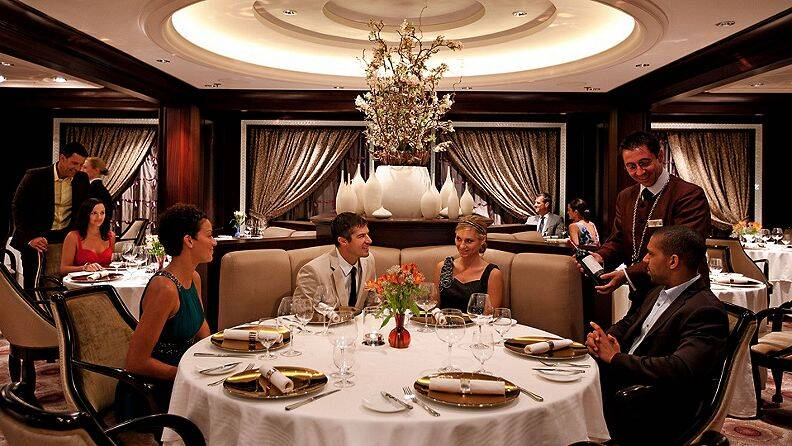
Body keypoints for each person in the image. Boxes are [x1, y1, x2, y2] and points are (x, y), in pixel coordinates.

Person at [586, 226, 727, 445]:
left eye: (651, 254)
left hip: (652, 403)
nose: (645, 260)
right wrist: (603, 338)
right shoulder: (657, 290)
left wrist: (616, 358)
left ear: (673, 261)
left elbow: (679, 368)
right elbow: (629, 323)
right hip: (623, 378)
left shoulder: (705, 309)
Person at [588, 131, 710, 309]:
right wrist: (600, 256)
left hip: (680, 296)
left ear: (660, 156)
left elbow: (682, 250)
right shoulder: (626, 197)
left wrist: (627, 274)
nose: (639, 172)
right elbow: (619, 239)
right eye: (631, 166)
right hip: (641, 294)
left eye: (644, 163)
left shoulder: (689, 195)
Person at [116, 204, 213, 420]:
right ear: (189, 240)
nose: (214, 242)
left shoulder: (194, 278)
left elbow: (203, 333)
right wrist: (187, 375)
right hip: (152, 392)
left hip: (184, 377)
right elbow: (136, 362)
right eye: (209, 235)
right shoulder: (165, 288)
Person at [11, 141, 89, 289]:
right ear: (62, 158)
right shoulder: (35, 176)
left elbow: (84, 210)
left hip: (64, 239)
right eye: (74, 163)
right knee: (33, 285)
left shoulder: (82, 179)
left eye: (81, 165)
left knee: (62, 285)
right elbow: (18, 207)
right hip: (36, 238)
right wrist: (30, 238)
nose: (78, 168)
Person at [294, 212, 375, 309]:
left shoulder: (368, 261)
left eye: (367, 234)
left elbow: (372, 302)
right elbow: (301, 311)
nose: (369, 240)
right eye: (361, 236)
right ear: (343, 241)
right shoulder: (313, 272)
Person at [434, 215, 503, 310]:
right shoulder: (442, 267)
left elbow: (490, 315)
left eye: (469, 241)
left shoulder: (493, 274)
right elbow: (434, 308)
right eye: (458, 239)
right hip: (444, 320)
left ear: (482, 240)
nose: (462, 246)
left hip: (478, 320)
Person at [59, 198, 114, 274]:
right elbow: (63, 269)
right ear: (86, 214)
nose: (99, 217)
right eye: (94, 213)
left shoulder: (111, 236)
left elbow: (112, 264)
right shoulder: (73, 237)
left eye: (102, 213)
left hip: (105, 279)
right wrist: (84, 268)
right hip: (81, 280)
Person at [81, 156, 114, 224]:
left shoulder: (94, 189)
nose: (81, 170)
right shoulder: (97, 188)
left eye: (85, 167)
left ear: (96, 170)